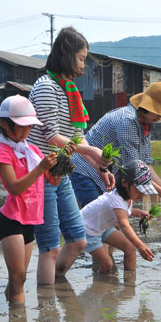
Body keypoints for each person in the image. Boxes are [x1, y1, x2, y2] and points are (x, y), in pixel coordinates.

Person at [27, 26, 111, 284]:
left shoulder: (70, 91)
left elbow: (77, 138)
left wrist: (99, 166)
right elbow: (52, 136)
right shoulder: (46, 87)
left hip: (60, 172)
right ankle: (48, 310)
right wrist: (91, 150)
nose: (83, 64)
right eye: (81, 58)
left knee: (78, 240)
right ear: (67, 54)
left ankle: (56, 287)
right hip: (41, 172)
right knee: (50, 247)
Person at [70, 81, 161, 211]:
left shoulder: (144, 124)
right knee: (97, 221)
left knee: (110, 221)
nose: (160, 118)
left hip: (107, 175)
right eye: (158, 113)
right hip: (86, 171)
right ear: (148, 107)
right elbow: (134, 167)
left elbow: (145, 165)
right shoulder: (128, 120)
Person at [0, 95, 59, 303]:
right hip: (11, 219)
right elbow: (14, 188)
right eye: (21, 126)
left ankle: (12, 315)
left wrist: (63, 162)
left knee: (19, 277)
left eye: (29, 126)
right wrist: (40, 168)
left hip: (30, 220)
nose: (26, 131)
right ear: (4, 124)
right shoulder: (3, 153)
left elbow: (53, 181)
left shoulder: (33, 151)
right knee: (18, 276)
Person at [80, 160, 156, 272]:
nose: (142, 194)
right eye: (139, 190)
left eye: (144, 191)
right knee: (107, 264)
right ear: (124, 183)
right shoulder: (117, 199)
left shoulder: (128, 196)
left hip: (102, 228)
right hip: (87, 231)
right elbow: (124, 225)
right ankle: (102, 286)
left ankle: (130, 283)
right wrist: (140, 245)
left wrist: (137, 212)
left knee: (130, 248)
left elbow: (123, 210)